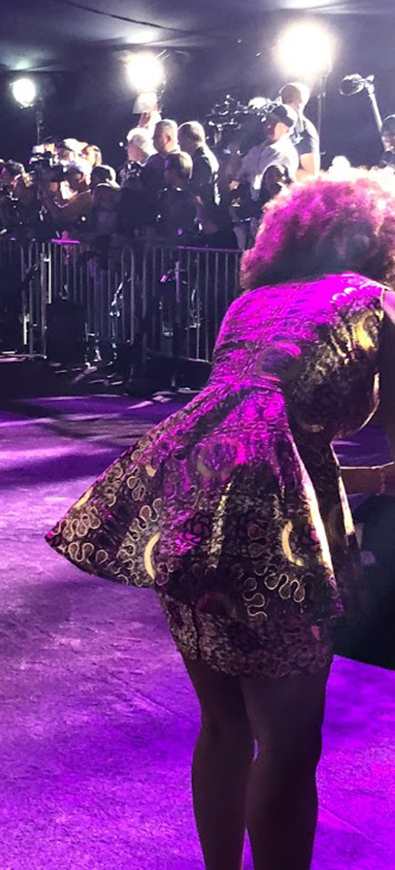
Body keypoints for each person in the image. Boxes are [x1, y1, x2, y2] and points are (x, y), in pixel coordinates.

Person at [47, 169, 395, 870]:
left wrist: (366, 480)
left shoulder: (249, 305)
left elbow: (261, 439)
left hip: (193, 512)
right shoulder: (369, 304)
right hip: (275, 540)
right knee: (290, 747)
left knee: (226, 727)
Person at [280, 82, 320, 180]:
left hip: (288, 190)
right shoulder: (272, 123)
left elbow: (310, 173)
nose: (289, 98)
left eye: (292, 95)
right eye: (286, 95)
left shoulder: (304, 128)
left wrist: (279, 176)